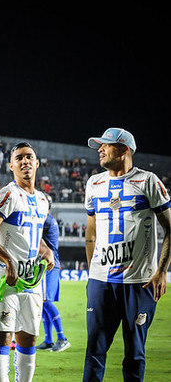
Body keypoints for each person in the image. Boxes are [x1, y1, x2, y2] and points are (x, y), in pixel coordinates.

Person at [82, 128, 170, 382]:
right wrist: (93, 272)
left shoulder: (147, 181)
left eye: (105, 145)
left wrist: (161, 271)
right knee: (94, 352)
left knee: (134, 354)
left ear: (124, 150)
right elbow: (91, 232)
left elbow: (170, 228)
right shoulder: (93, 183)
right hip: (101, 283)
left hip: (139, 283)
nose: (100, 149)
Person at [0, 142, 55, 382]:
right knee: (3, 337)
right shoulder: (8, 193)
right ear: (12, 165)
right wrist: (8, 262)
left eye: (29, 157)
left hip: (32, 280)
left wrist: (46, 250)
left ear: (37, 163)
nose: (25, 161)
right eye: (19, 158)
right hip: (5, 278)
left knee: (29, 337)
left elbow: (34, 235)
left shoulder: (43, 200)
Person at [37, 198, 71, 353]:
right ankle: (48, 340)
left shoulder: (45, 220)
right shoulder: (49, 220)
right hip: (49, 264)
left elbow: (35, 238)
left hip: (48, 264)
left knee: (46, 302)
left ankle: (62, 338)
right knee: (43, 304)